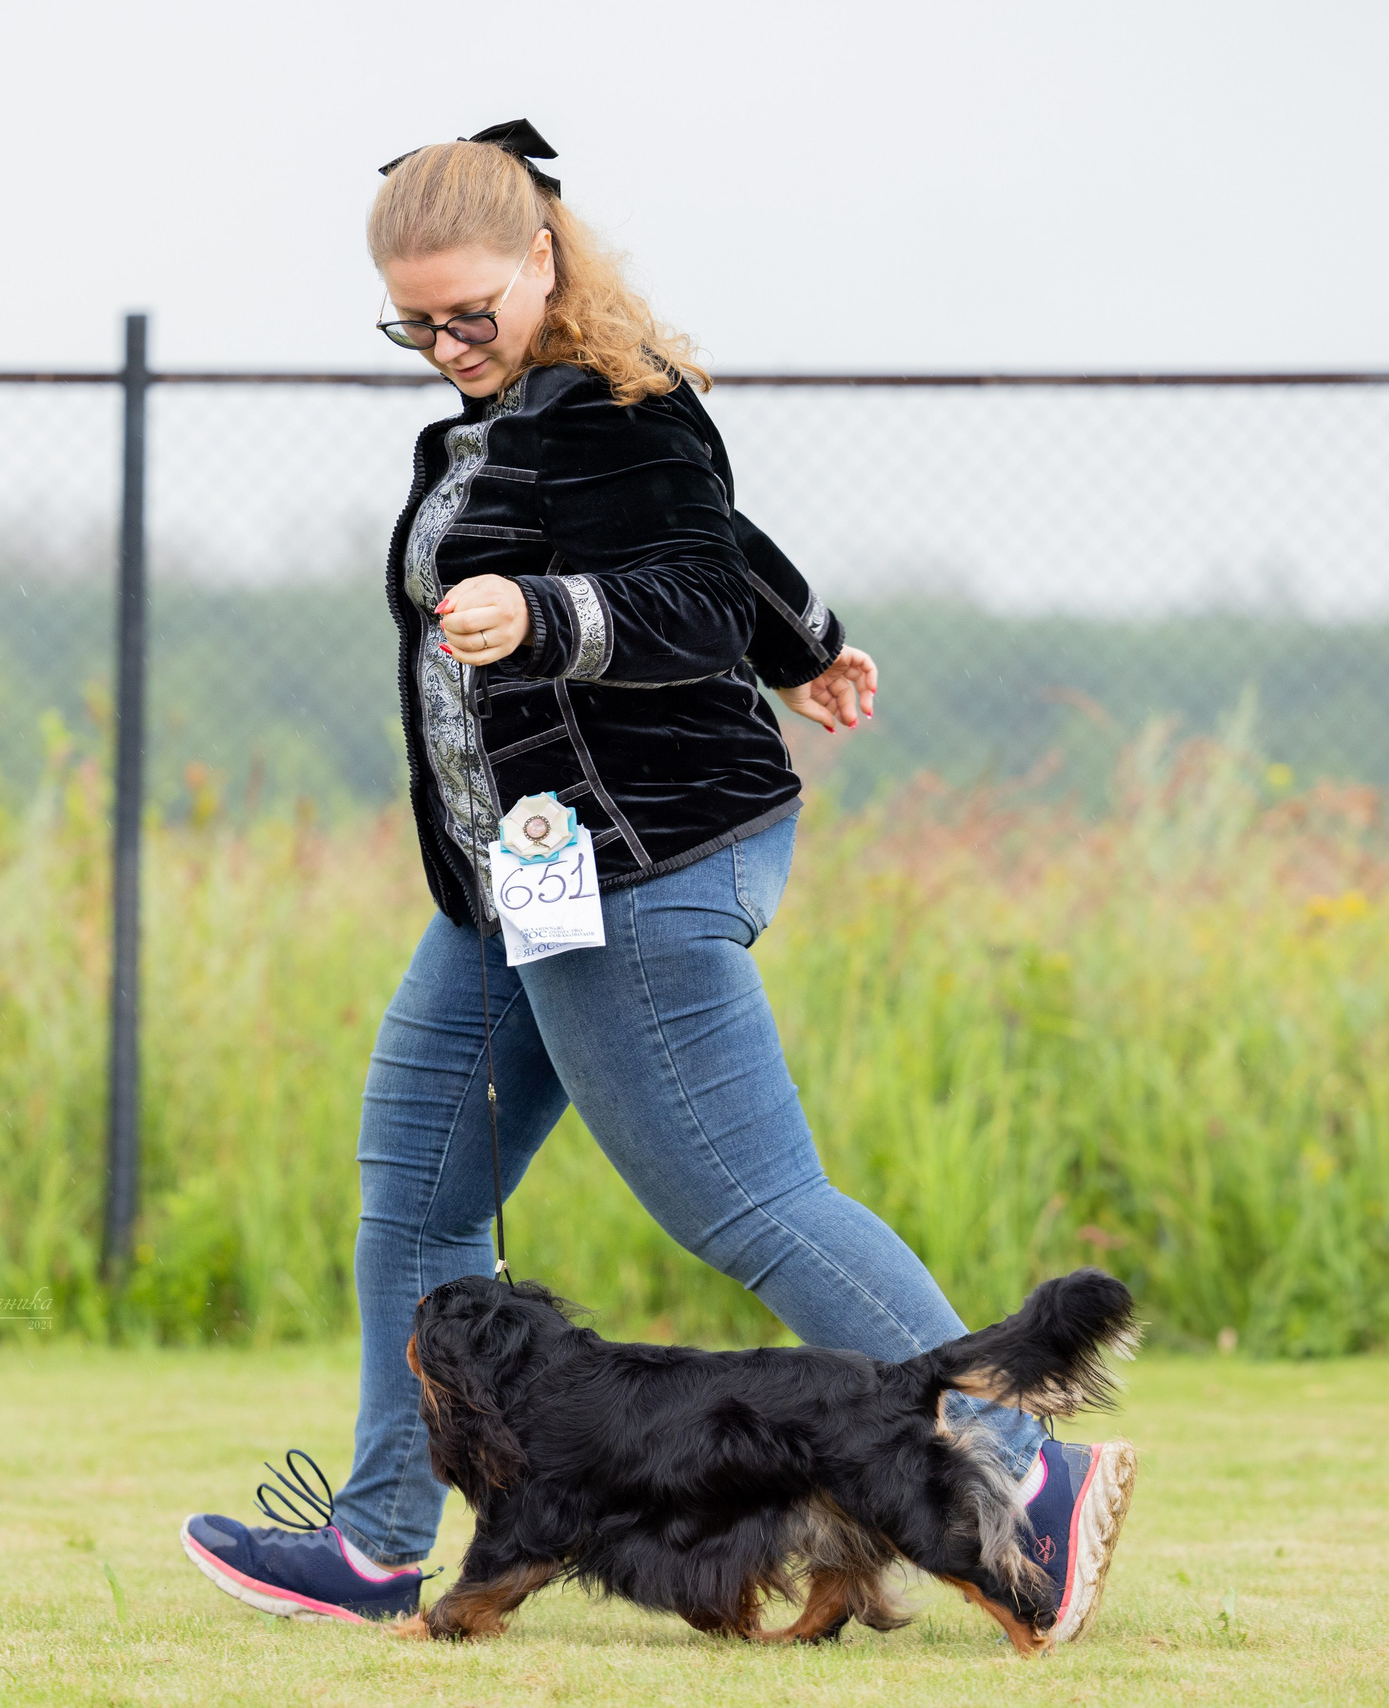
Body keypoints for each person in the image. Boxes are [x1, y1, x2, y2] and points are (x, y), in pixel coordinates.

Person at [181, 121, 1129, 1635]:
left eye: (466, 313)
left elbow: (680, 575)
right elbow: (734, 554)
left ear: (543, 258)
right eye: (411, 321)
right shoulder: (516, 413)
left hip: (641, 858)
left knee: (749, 1200)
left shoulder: (627, 408)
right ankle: (372, 1544)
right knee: (416, 1201)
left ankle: (1022, 1471)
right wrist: (807, 643)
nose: (441, 345)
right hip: (518, 876)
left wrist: (547, 616)